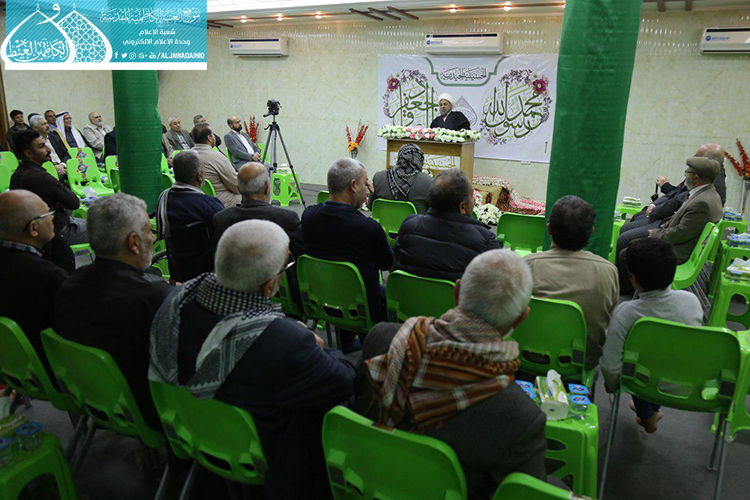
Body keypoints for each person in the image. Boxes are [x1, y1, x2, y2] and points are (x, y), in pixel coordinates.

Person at [149, 220, 355, 499]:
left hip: (191, 436)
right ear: (270, 285)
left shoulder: (175, 302)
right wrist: (318, 346)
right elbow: (344, 380)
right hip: (259, 457)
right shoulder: (284, 340)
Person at [359, 250, 546, 498]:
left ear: (456, 292)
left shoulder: (381, 341)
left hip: (370, 486)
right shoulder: (521, 417)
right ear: (521, 318)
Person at [55, 194, 173, 430]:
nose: (153, 237)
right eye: (148, 231)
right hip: (149, 411)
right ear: (133, 242)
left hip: (92, 398)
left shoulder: (68, 286)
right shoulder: (152, 298)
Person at [601, 238, 702, 433]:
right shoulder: (691, 301)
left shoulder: (627, 312)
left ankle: (648, 417)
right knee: (658, 359)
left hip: (643, 383)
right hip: (686, 384)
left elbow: (610, 364)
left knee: (637, 365)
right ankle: (652, 411)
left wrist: (612, 385)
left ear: (632, 278)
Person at [524, 196, 619, 370]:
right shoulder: (608, 271)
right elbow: (609, 321)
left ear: (548, 229)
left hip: (527, 358)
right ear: (591, 232)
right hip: (580, 364)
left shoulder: (526, 265)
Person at [616, 144, 727, 280]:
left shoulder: (702, 202)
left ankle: (630, 289)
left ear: (696, 178)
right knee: (630, 235)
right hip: (675, 238)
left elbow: (681, 233)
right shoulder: (707, 192)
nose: (685, 174)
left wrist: (656, 233)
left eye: (688, 171)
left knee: (626, 251)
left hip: (677, 251)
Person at [302, 158, 393, 324]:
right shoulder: (369, 228)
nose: (369, 189)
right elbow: (386, 263)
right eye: (366, 183)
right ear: (353, 185)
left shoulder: (308, 216)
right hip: (363, 310)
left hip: (322, 300)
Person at [0, 190, 68, 371]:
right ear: (33, 228)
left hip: (10, 365)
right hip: (47, 368)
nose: (53, 218)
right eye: (48, 213)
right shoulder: (47, 278)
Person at [395, 168, 499, 281]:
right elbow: (493, 284)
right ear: (462, 207)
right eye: (471, 197)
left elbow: (396, 267)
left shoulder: (409, 226)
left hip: (408, 292)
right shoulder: (485, 240)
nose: (474, 200)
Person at [9, 129, 87, 246]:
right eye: (42, 146)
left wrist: (56, 203)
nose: (48, 149)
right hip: (58, 232)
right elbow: (74, 203)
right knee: (108, 227)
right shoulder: (41, 177)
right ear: (28, 153)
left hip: (34, 233)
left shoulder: (16, 175)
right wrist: (58, 203)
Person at [155, 150, 224, 281]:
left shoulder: (164, 198)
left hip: (177, 271)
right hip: (207, 275)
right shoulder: (209, 204)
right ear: (200, 176)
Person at [213, 162, 304, 257]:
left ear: (239, 189)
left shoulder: (221, 219)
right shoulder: (287, 218)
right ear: (267, 188)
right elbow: (299, 254)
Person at [369, 143, 432, 214]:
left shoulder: (379, 177)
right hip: (415, 221)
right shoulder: (428, 181)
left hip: (384, 221)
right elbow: (434, 212)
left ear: (399, 157)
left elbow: (371, 206)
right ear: (419, 160)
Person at [656, 143, 727, 206]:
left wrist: (666, 187)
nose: (692, 158)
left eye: (696, 157)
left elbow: (681, 199)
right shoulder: (713, 174)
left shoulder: (709, 179)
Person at [192, 124, 242, 209]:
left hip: (196, 202)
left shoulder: (187, 155)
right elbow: (235, 185)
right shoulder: (217, 157)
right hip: (221, 202)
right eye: (213, 134)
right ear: (209, 138)